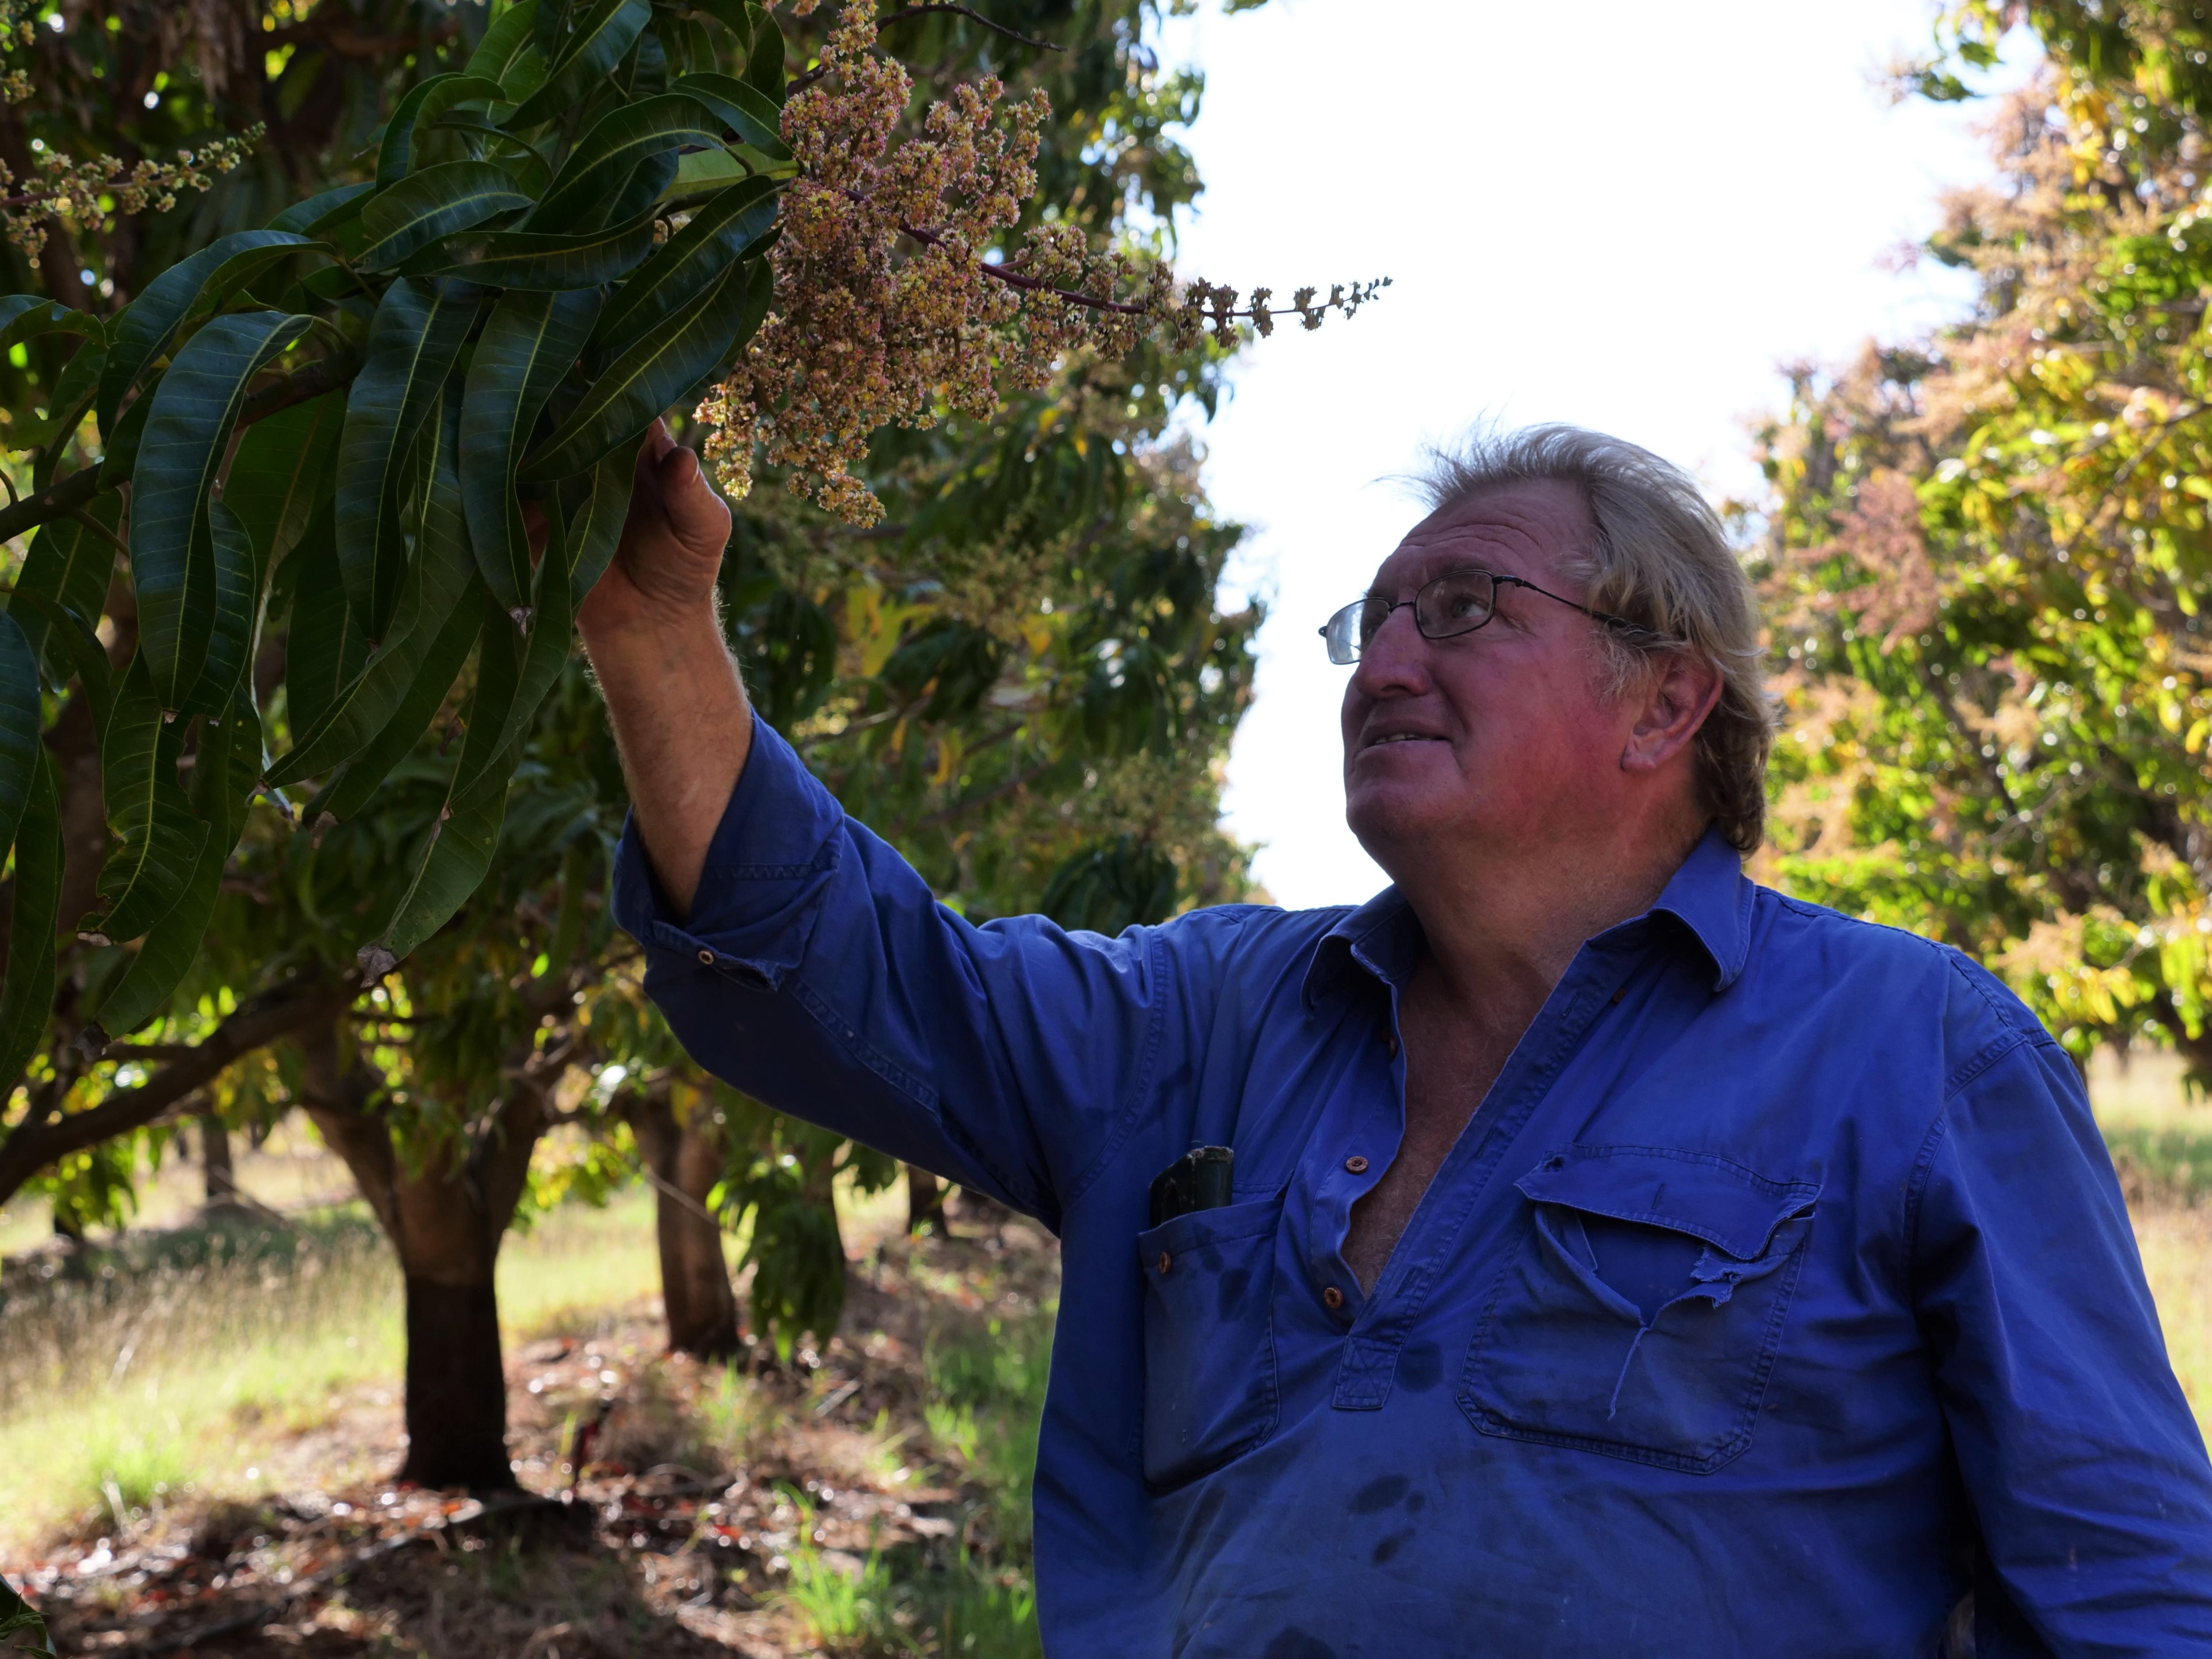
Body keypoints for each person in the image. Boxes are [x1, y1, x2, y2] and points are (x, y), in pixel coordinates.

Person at [581, 420, 2212, 1655]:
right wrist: (654, 631)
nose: (1389, 664)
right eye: (1373, 623)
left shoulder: (1917, 1056)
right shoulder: (1202, 1019)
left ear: (1665, 703)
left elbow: (2128, 1585)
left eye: (1467, 607)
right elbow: (846, 969)